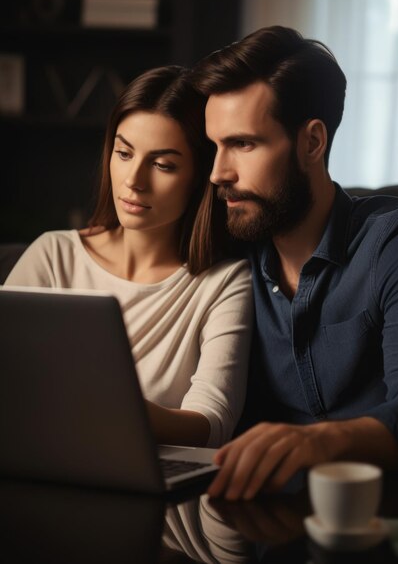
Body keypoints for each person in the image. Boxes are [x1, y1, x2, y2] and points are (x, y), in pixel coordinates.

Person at [189, 25, 398, 499]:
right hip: (249, 525)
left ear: (312, 142)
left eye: (244, 144)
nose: (218, 173)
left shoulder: (395, 243)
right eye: (215, 146)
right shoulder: (227, 252)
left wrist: (321, 441)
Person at [5, 65, 253, 448]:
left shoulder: (223, 283)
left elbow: (211, 423)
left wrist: (112, 412)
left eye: (162, 164)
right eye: (123, 153)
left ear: (200, 176)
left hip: (147, 483)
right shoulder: (53, 256)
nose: (134, 180)